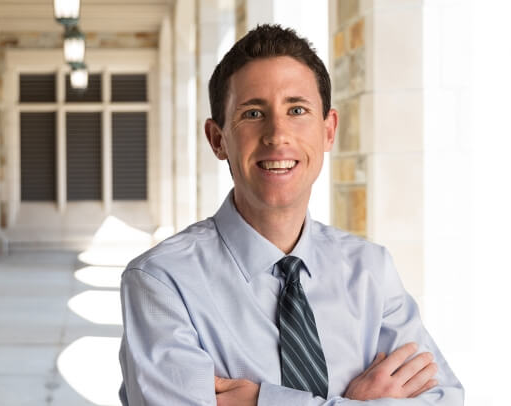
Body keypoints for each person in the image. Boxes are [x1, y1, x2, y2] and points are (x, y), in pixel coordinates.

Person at [118, 24, 463, 405]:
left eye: (297, 110)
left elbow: (445, 398)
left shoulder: (371, 271)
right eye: (253, 113)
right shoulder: (161, 282)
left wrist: (261, 401)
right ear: (218, 139)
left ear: (329, 130)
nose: (277, 134)